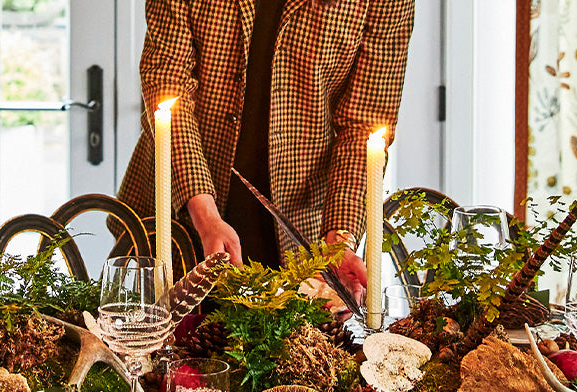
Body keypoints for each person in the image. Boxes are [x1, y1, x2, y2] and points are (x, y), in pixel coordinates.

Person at [118, 0, 413, 281]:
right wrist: (205, 215)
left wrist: (338, 242)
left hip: (299, 231)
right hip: (179, 215)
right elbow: (167, 80)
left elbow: (363, 124)